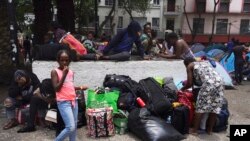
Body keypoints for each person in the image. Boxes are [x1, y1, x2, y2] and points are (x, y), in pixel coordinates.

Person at [181, 57, 224, 135]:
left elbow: (189, 83)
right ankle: (209, 130)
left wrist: (183, 89)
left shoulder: (190, 66)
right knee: (214, 107)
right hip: (220, 82)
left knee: (200, 107)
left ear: (186, 64)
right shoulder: (204, 62)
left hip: (208, 84)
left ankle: (194, 131)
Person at [51, 50, 88, 141]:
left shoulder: (70, 72)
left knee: (74, 126)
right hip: (63, 102)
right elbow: (56, 88)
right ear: (58, 60)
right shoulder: (54, 71)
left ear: (69, 61)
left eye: (66, 60)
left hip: (73, 101)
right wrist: (64, 75)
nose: (64, 62)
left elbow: (69, 86)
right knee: (70, 127)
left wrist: (80, 87)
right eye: (62, 60)